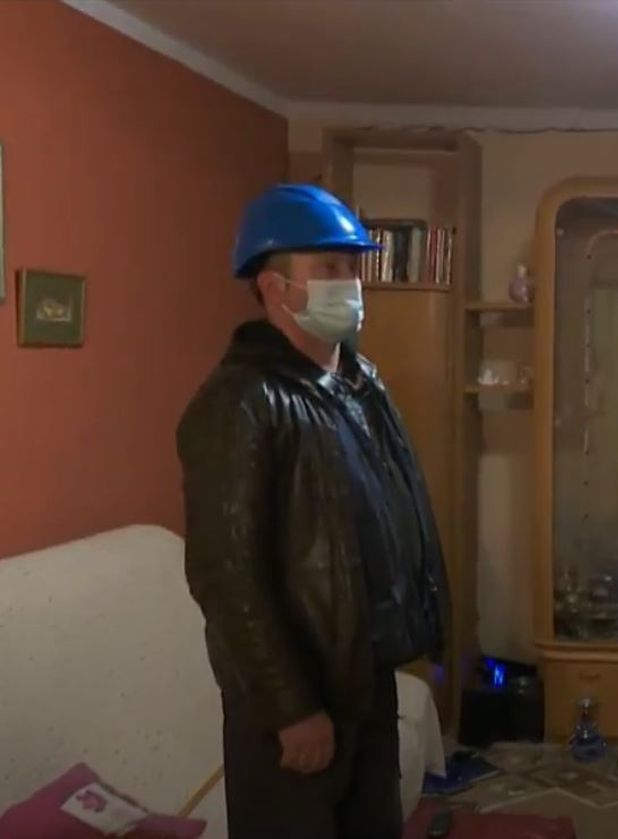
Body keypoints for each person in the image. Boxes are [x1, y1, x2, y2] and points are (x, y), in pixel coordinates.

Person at [177, 184, 451, 838]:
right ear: (275, 287)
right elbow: (227, 576)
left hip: (365, 675)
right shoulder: (241, 402)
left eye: (352, 265)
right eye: (328, 266)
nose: (349, 282)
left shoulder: (358, 382)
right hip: (298, 699)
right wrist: (291, 707)